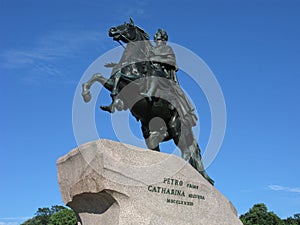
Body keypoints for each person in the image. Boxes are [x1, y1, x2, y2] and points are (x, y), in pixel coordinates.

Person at [140, 29, 178, 100]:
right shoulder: (151, 49)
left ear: (162, 37)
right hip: (148, 70)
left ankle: (150, 93)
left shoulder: (167, 49)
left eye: (157, 34)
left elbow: (172, 61)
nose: (155, 35)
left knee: (154, 73)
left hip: (162, 74)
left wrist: (156, 59)